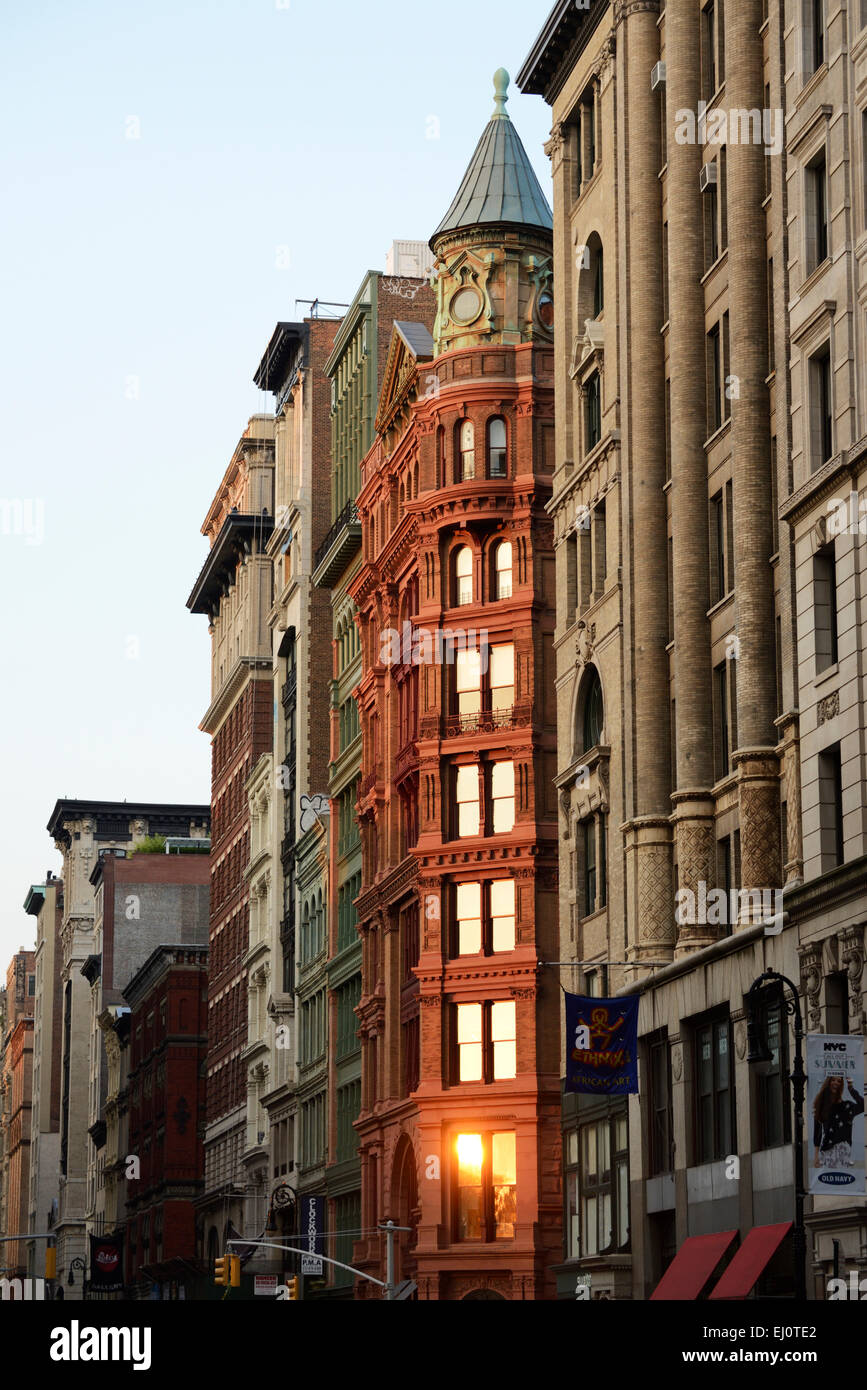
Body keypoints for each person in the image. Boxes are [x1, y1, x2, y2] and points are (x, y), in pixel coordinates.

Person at [813, 1075, 863, 1169]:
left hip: (843, 1150)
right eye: (833, 1080)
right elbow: (817, 1131)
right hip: (827, 1150)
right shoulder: (822, 1106)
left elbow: (863, 1105)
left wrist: (851, 1088)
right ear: (828, 1082)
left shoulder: (847, 1106)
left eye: (839, 1081)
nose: (836, 1083)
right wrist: (816, 1156)